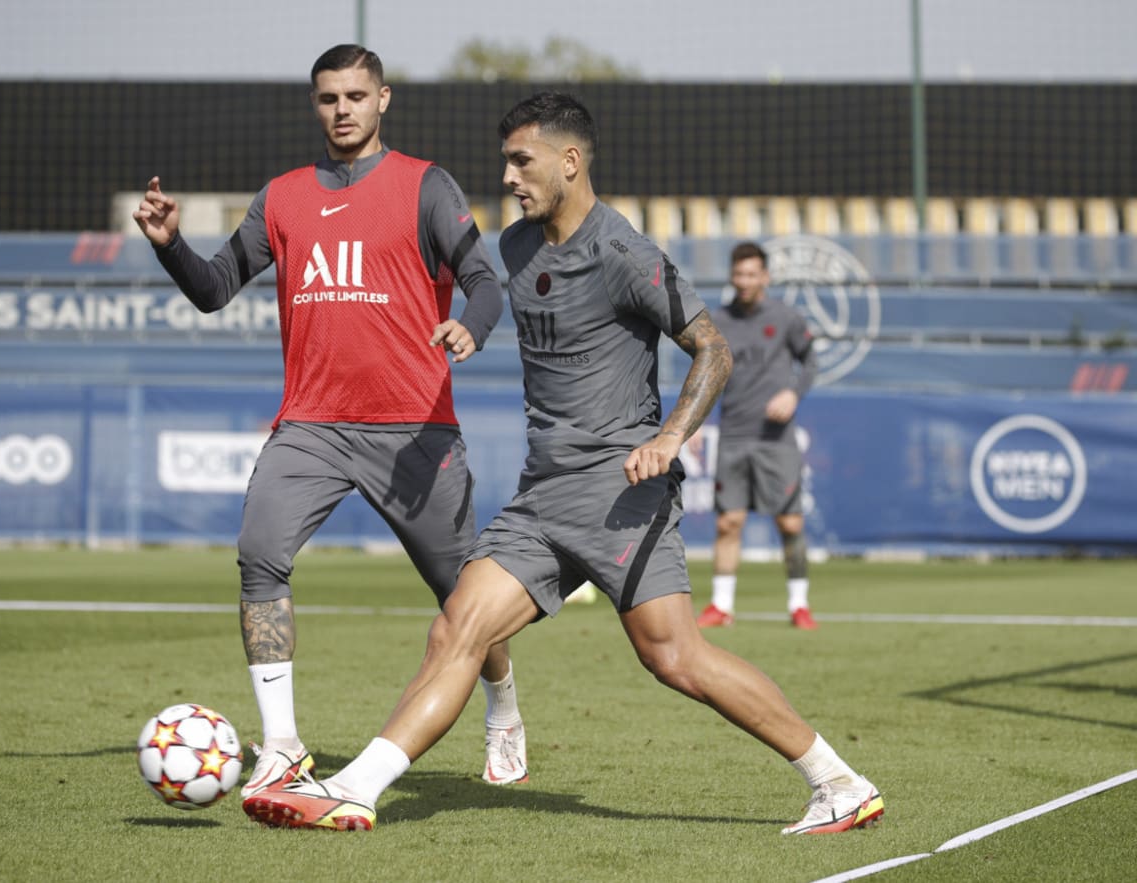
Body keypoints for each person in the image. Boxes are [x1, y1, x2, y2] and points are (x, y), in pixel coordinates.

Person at [244, 91, 883, 836]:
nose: (510, 175)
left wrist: (671, 438)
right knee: (457, 629)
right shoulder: (512, 249)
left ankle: (837, 780)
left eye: (523, 160)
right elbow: (434, 281)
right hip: (541, 499)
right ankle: (355, 788)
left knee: (675, 658)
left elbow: (713, 346)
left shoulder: (624, 252)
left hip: (622, 495)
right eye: (506, 161)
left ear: (570, 160)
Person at [131, 44, 530, 804]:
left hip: (415, 428)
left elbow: (483, 280)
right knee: (259, 554)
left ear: (384, 100)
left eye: (355, 95)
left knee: (465, 599)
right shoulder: (281, 197)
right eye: (327, 98)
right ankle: (280, 745)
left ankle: (503, 704)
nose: (341, 109)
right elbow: (215, 289)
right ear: (315, 105)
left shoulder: (425, 185)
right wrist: (171, 246)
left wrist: (471, 326)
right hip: (310, 422)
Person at [696, 242, 820, 631]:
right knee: (728, 523)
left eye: (752, 274)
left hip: (775, 440)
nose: (744, 282)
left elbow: (812, 360)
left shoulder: (785, 318)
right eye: (738, 275)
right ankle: (721, 605)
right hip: (733, 436)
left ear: (765, 277)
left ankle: (799, 605)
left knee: (790, 524)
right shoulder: (718, 322)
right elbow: (706, 375)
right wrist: (695, 421)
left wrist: (793, 393)